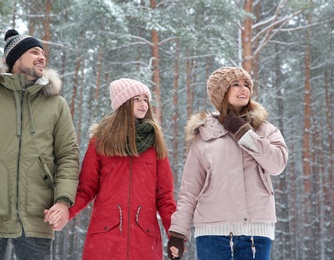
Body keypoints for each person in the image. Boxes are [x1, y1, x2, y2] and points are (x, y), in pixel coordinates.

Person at [0, 29, 79, 260]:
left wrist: (63, 200)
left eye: (43, 53)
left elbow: (68, 156)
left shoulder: (56, 104)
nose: (42, 57)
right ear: (15, 58)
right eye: (34, 52)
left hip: (38, 214)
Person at [167, 67, 288, 260]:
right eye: (236, 84)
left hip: (255, 232)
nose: (244, 89)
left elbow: (277, 164)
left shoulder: (266, 130)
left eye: (246, 84)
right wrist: (178, 232)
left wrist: (244, 132)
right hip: (212, 232)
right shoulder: (204, 135)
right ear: (221, 92)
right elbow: (190, 190)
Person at [47, 78, 177, 259]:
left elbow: (165, 197)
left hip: (145, 240)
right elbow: (86, 188)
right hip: (105, 237)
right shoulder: (101, 140)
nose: (143, 104)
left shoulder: (155, 143)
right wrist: (66, 212)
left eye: (145, 99)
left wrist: (176, 234)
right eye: (136, 99)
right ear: (123, 103)